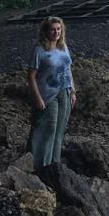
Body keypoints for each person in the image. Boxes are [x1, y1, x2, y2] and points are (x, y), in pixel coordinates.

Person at [26, 15, 76, 179]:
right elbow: (31, 77)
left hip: (64, 91)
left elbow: (68, 69)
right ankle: (39, 165)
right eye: (53, 29)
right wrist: (38, 98)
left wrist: (73, 91)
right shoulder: (40, 50)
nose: (56, 32)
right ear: (46, 31)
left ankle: (54, 164)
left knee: (59, 130)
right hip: (47, 94)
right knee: (47, 128)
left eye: (58, 29)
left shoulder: (63, 47)